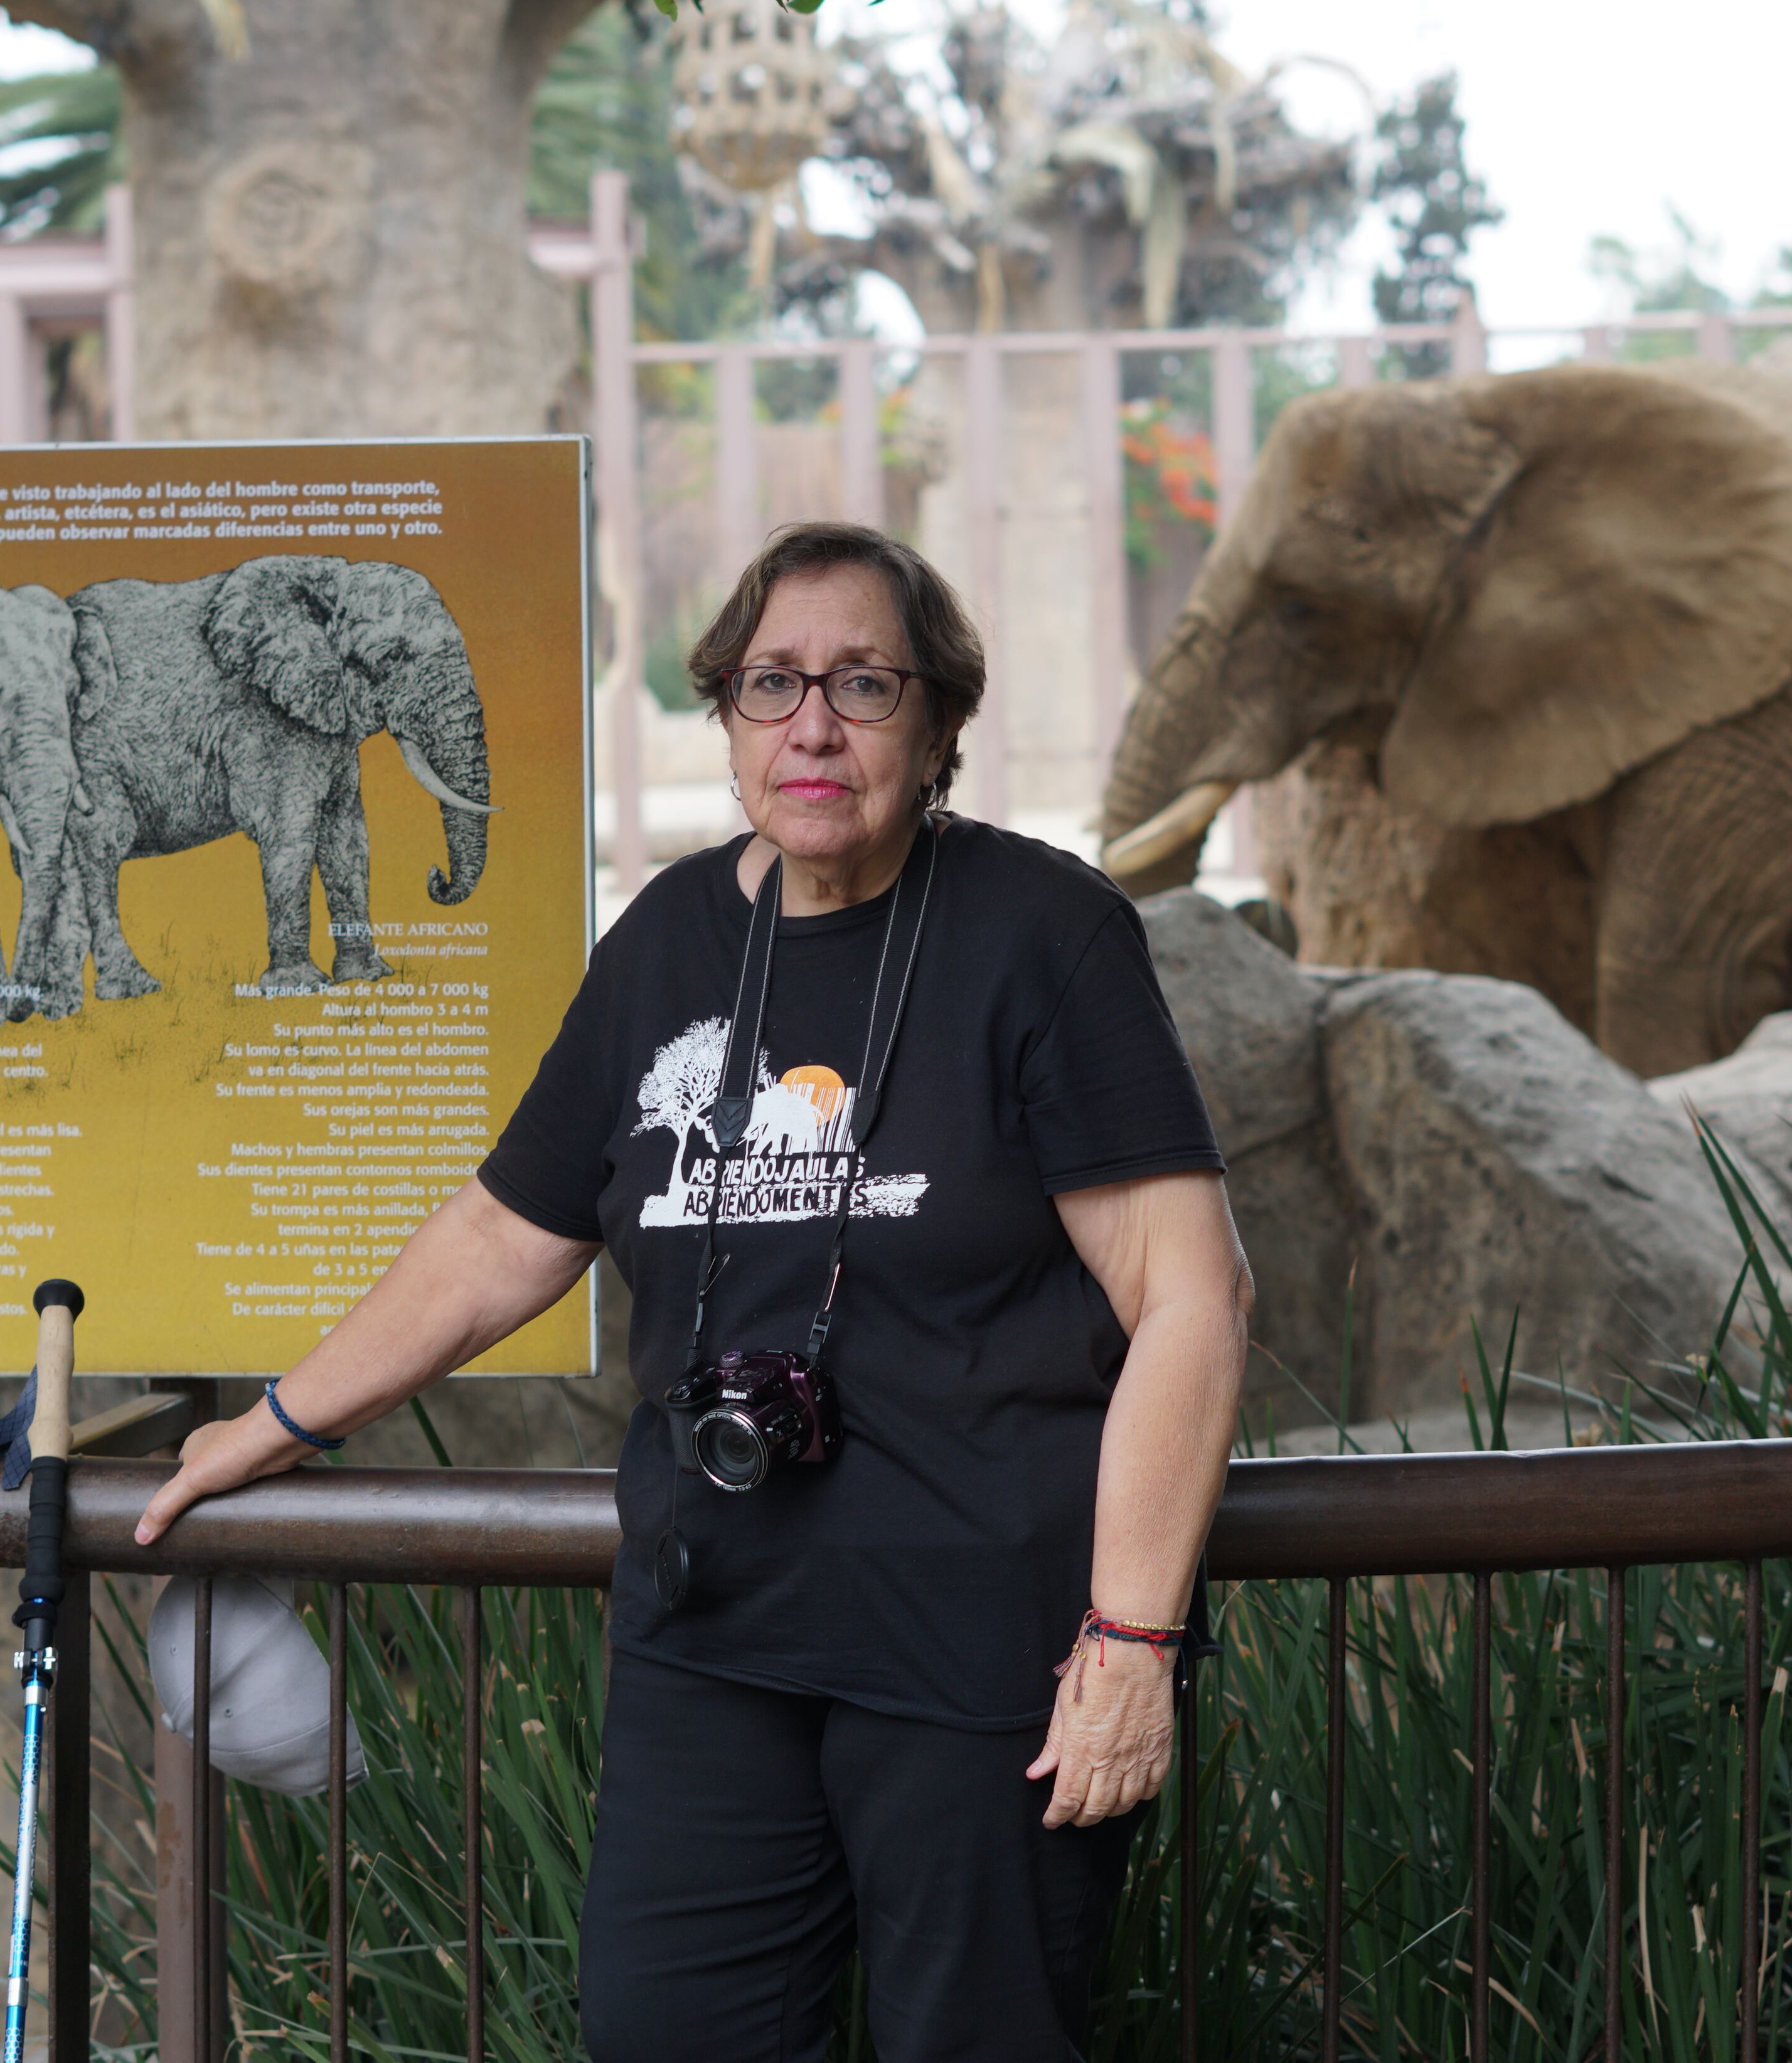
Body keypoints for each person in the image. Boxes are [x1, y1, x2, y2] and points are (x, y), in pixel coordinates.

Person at [132, 520, 1251, 2060]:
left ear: (937, 727)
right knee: (664, 2029)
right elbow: (501, 1235)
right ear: (722, 715)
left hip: (985, 1650)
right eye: (771, 682)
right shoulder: (669, 939)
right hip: (712, 1626)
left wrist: (1132, 1640)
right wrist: (278, 1420)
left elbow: (1190, 1295)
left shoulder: (1042, 936)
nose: (812, 724)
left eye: (864, 683)